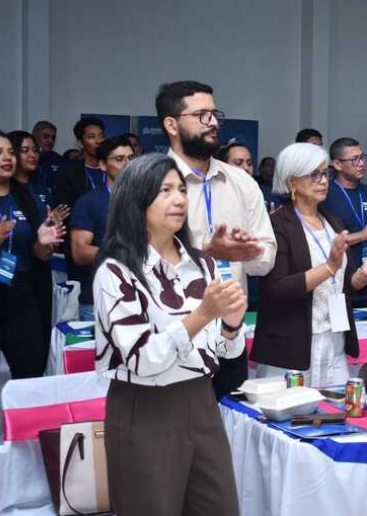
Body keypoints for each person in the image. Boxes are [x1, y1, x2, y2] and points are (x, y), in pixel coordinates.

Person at [94, 153, 245, 516]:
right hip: (145, 408)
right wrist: (203, 314)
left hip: (202, 402)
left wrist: (230, 324)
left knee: (220, 507)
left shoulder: (204, 263)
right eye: (165, 191)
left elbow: (221, 353)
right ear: (136, 198)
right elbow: (143, 359)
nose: (178, 199)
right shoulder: (116, 271)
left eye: (181, 189)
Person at [156, 80, 277, 400]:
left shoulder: (242, 183)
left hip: (229, 335)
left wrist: (245, 253)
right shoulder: (148, 182)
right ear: (171, 124)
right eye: (202, 115)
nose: (213, 122)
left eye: (214, 114)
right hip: (170, 335)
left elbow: (265, 260)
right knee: (173, 429)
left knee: (230, 426)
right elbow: (134, 260)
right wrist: (204, 252)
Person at [251, 143, 367, 386]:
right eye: (314, 175)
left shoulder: (332, 222)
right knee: (293, 410)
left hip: (335, 341)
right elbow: (276, 288)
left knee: (337, 406)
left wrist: (364, 273)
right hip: (292, 346)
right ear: (291, 181)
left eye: (325, 173)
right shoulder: (277, 224)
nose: (324, 181)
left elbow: (346, 283)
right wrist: (328, 267)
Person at [0, 131, 65, 379]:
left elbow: (40, 254)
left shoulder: (26, 197)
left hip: (20, 290)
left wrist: (44, 244)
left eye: (9, 152)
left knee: (31, 367)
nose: (7, 157)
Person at [70, 136, 134, 320]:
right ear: (103, 165)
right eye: (119, 159)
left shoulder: (147, 200)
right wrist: (124, 253)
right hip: (100, 300)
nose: (127, 164)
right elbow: (79, 253)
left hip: (141, 297)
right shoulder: (89, 202)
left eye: (131, 158)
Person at [323, 137, 367, 307]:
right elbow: (323, 242)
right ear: (337, 164)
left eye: (362, 157)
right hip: (337, 282)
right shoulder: (325, 195)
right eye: (354, 159)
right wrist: (363, 235)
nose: (361, 164)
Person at [53, 117, 106, 210]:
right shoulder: (69, 172)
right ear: (80, 143)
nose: (99, 141)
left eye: (101, 136)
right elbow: (65, 209)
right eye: (92, 136)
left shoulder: (113, 167)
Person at [7, 130, 52, 207]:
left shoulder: (40, 186)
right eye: (25, 151)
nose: (33, 155)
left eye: (35, 150)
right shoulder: (5, 187)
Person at [31, 120, 63, 189]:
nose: (50, 141)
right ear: (34, 137)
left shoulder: (60, 160)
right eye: (46, 136)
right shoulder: (25, 158)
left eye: (53, 138)